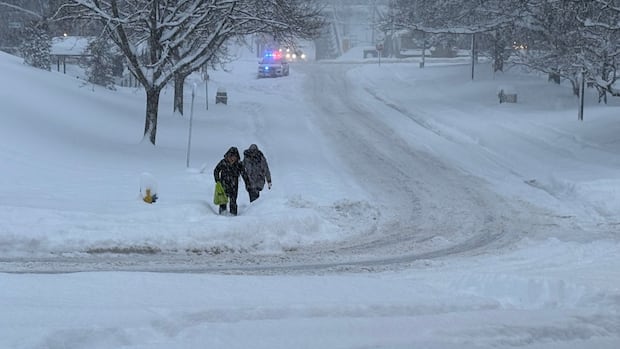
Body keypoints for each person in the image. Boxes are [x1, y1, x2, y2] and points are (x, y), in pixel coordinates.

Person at [214, 147, 248, 215]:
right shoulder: (223, 162)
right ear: (228, 156)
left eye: (234, 157)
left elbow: (244, 174)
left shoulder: (239, 164)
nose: (232, 158)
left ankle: (233, 216)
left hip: (234, 185)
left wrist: (247, 183)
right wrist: (217, 180)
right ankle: (222, 215)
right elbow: (216, 170)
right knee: (223, 201)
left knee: (233, 201)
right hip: (224, 184)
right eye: (231, 156)